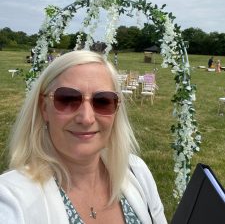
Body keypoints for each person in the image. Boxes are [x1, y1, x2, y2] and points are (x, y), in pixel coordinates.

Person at [0, 50, 167, 224]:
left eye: (102, 101)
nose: (86, 118)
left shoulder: (137, 172)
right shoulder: (11, 199)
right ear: (44, 107)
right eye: (67, 99)